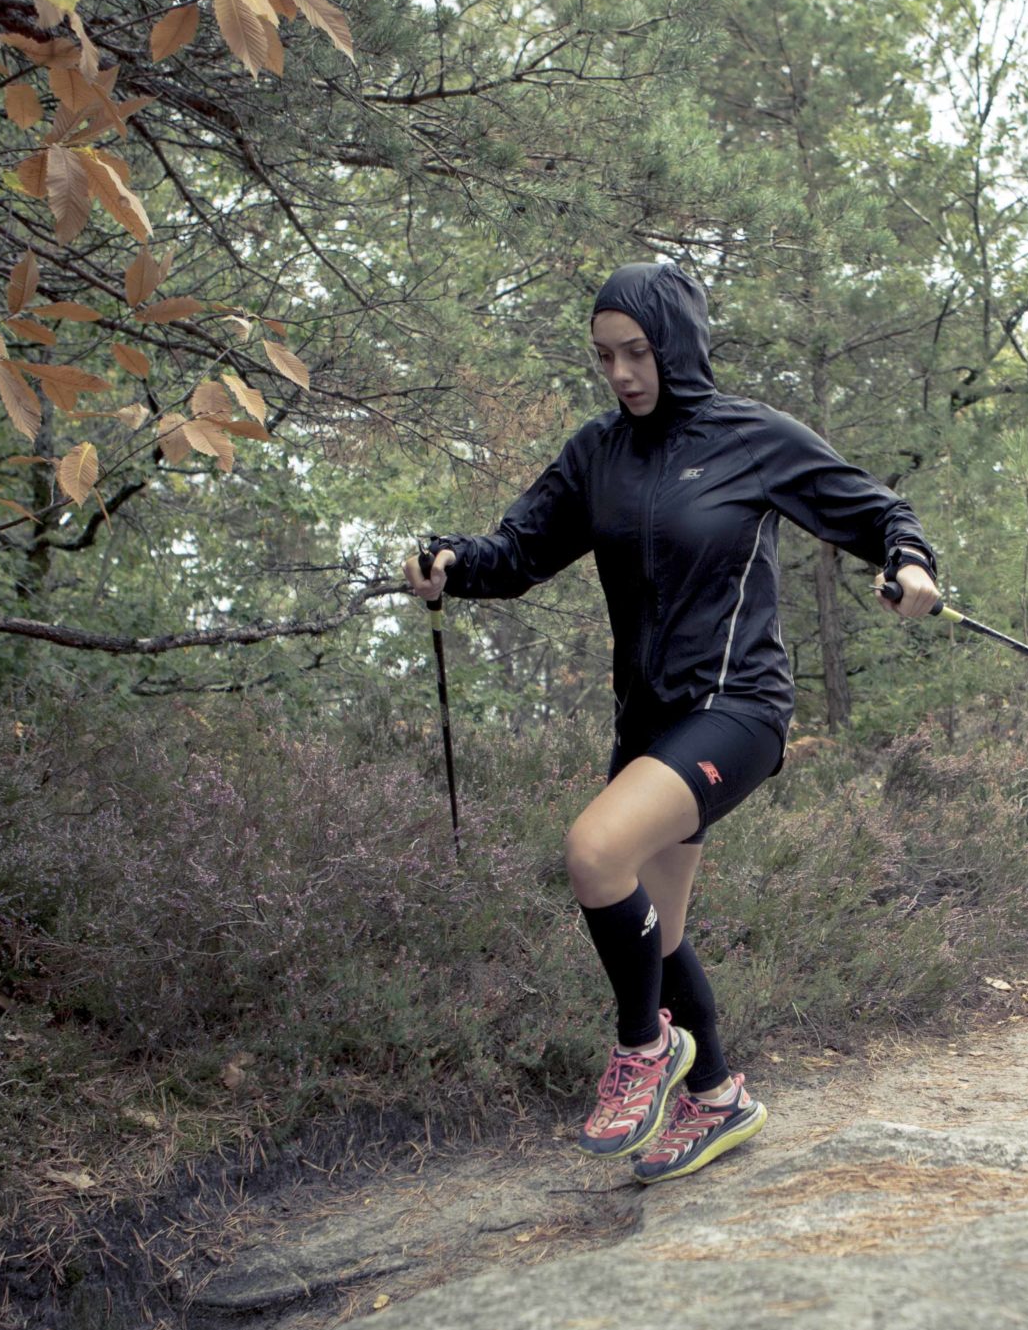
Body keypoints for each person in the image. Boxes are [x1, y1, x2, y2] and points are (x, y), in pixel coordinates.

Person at [401, 264, 943, 1183]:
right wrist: (454, 561)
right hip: (649, 723)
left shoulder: (751, 438)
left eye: (637, 352)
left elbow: (878, 511)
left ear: (677, 345)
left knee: (593, 851)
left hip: (738, 708)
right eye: (604, 356)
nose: (620, 373)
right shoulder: (596, 454)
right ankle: (720, 1096)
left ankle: (644, 1048)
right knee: (660, 927)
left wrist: (911, 563)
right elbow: (520, 550)